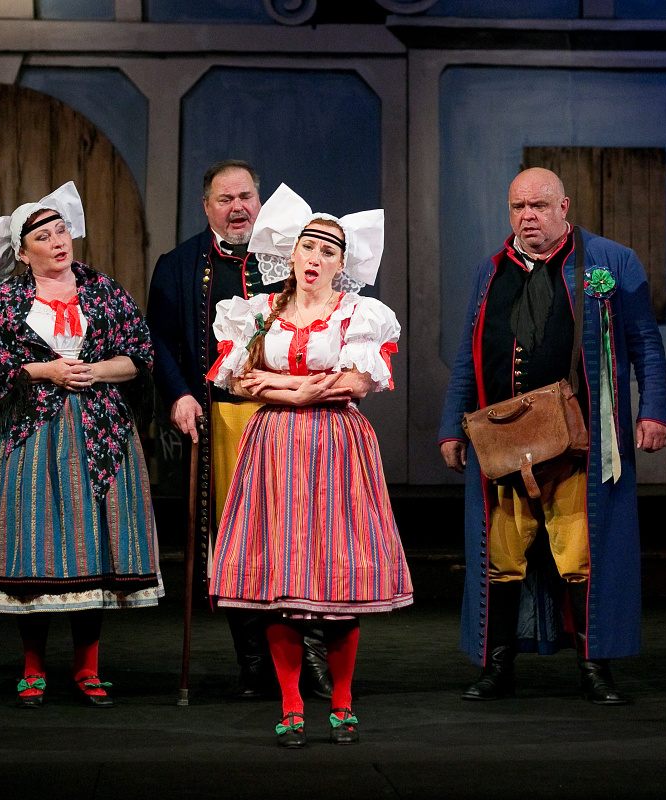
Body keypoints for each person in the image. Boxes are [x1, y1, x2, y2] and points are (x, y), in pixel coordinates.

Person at [437, 167, 666, 705]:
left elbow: (644, 343)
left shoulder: (609, 262)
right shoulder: (491, 270)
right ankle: (497, 667)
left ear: (564, 208)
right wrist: (452, 427)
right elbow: (467, 356)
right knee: (500, 557)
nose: (528, 217)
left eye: (539, 206)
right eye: (518, 207)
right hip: (501, 445)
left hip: (577, 445)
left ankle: (594, 667)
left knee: (580, 555)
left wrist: (654, 411)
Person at [207, 184, 411, 747]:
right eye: (308, 247)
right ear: (290, 254)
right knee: (282, 579)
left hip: (335, 446)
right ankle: (292, 704)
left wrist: (282, 387)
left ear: (343, 264)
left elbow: (357, 382)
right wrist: (296, 391)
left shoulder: (359, 314)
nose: (316, 259)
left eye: (328, 251)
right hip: (273, 447)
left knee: (338, 574)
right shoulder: (257, 312)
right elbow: (239, 380)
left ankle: (342, 702)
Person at [0, 182, 161, 708]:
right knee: (36, 547)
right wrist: (44, 370)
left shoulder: (104, 291)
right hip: (31, 433)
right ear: (24, 254)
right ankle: (33, 668)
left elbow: (138, 356)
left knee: (93, 546)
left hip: (100, 429)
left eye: (61, 230)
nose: (58, 241)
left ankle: (88, 667)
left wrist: (94, 371)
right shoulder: (5, 303)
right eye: (44, 237)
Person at [147, 160, 332, 700]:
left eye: (246, 196)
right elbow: (158, 342)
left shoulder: (291, 255)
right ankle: (254, 663)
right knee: (237, 541)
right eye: (225, 199)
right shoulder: (178, 265)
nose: (237, 208)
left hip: (289, 416)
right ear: (206, 206)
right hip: (222, 419)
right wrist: (179, 394)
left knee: (298, 534)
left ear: (260, 200)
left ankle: (311, 657)